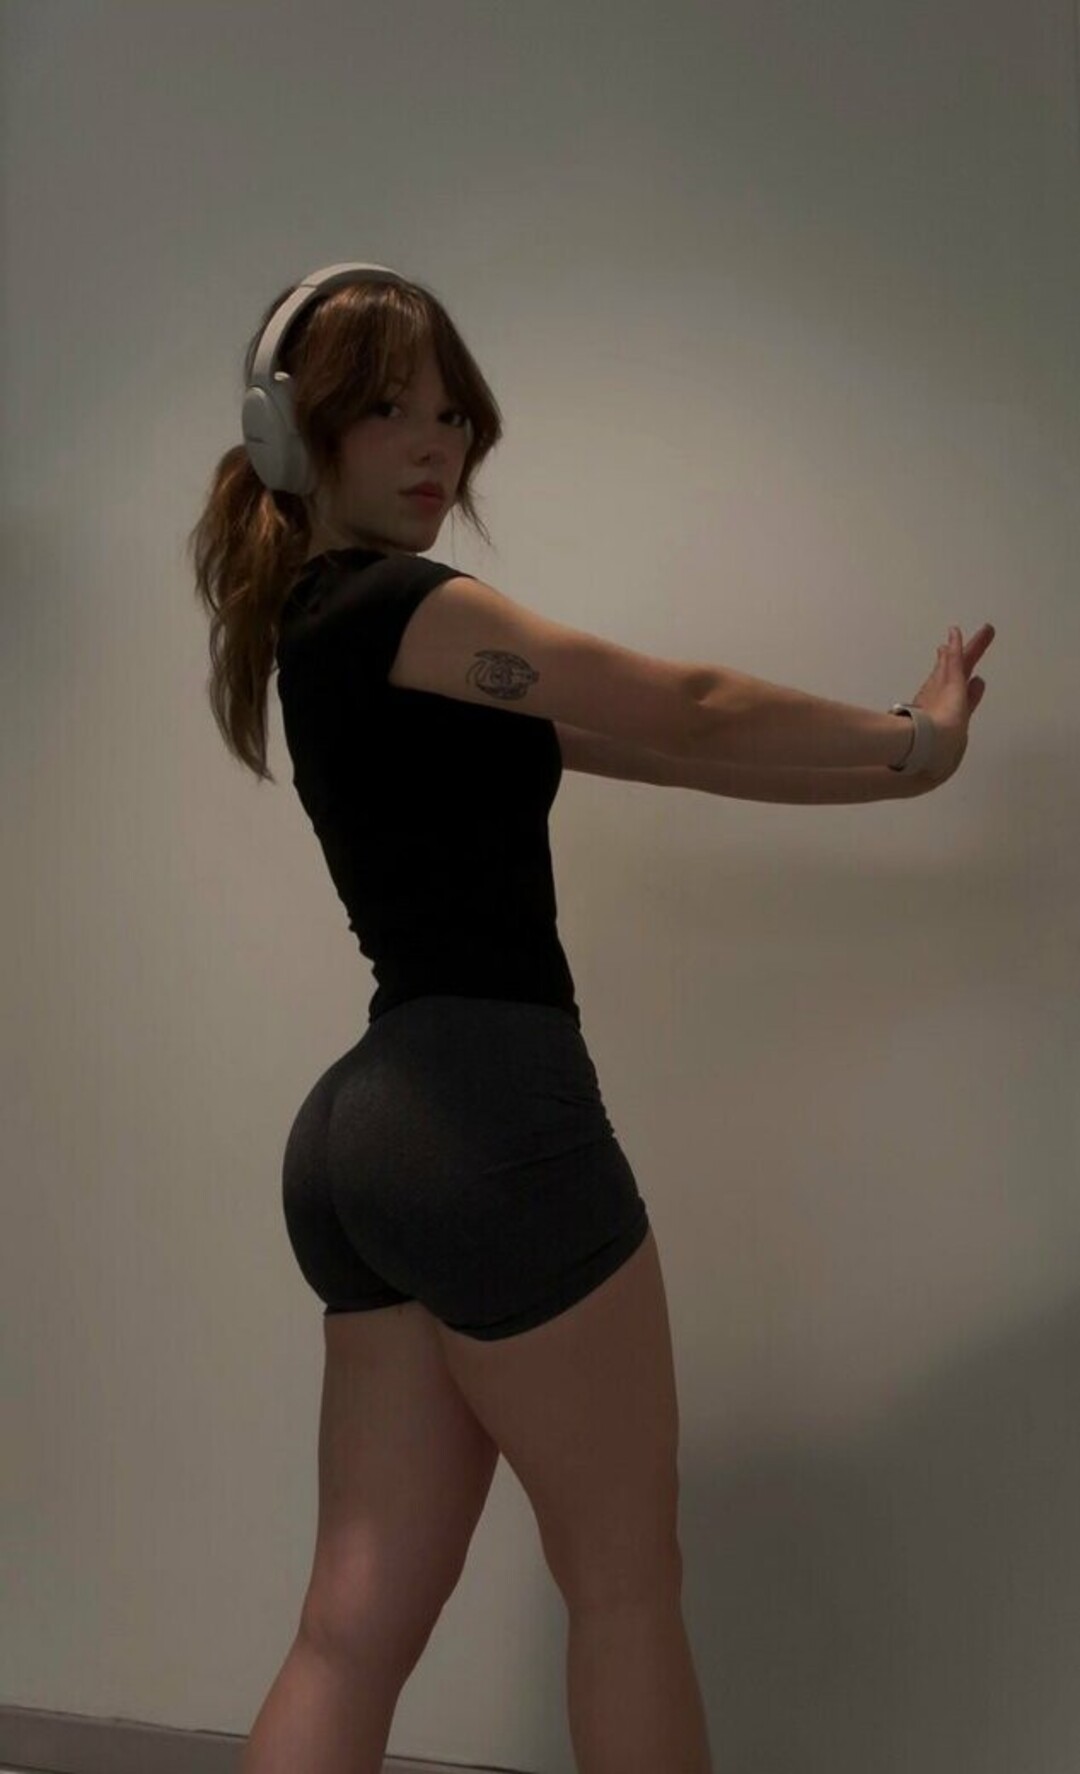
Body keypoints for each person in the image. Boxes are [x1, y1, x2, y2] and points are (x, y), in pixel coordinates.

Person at [188, 266, 994, 1774]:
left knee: (351, 1621)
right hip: (489, 1119)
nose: (436, 445)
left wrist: (905, 773)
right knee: (624, 1583)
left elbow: (670, 752)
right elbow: (688, 699)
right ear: (294, 431)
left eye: (454, 416)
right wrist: (909, 735)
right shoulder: (412, 605)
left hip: (363, 1143)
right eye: (390, 409)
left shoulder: (324, 630)